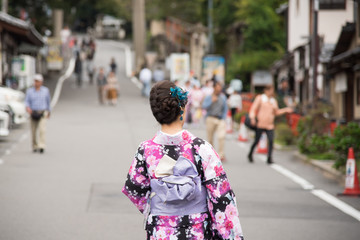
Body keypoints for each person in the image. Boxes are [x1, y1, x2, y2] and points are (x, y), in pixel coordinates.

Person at [122, 80, 244, 240]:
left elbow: (134, 189)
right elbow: (222, 198)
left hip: (161, 231)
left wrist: (159, 207)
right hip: (197, 230)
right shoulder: (201, 148)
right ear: (182, 109)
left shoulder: (145, 149)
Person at [248, 85, 293, 164]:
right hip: (260, 123)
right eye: (270, 90)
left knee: (271, 140)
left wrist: (285, 110)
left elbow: (276, 112)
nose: (271, 92)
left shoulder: (273, 101)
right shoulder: (260, 98)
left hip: (270, 124)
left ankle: (269, 157)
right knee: (256, 140)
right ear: (265, 90)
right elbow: (253, 109)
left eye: (272, 90)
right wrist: (252, 118)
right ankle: (250, 153)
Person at [202, 80, 228, 162]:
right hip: (210, 118)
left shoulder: (223, 97)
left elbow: (225, 108)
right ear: (214, 88)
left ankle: (221, 154)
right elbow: (204, 106)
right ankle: (212, 154)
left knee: (221, 136)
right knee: (210, 138)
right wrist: (211, 101)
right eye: (217, 87)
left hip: (220, 119)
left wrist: (224, 117)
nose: (219, 88)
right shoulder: (209, 97)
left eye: (220, 87)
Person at [25, 74, 51, 153]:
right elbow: (27, 102)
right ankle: (34, 145)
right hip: (33, 112)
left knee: (42, 130)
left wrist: (49, 111)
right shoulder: (30, 91)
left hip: (42, 112)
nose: (36, 83)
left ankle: (42, 145)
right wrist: (28, 108)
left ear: (41, 82)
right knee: (33, 131)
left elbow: (48, 102)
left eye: (38, 81)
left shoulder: (45, 91)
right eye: (35, 81)